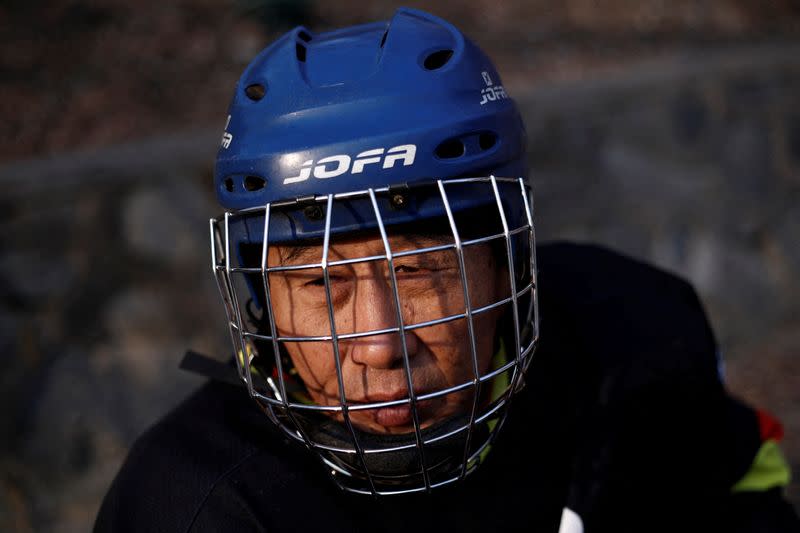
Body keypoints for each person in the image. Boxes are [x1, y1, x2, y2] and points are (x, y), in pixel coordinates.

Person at [95, 8, 798, 532]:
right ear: (261, 301)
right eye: (319, 284)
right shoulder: (201, 505)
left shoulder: (627, 341)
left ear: (504, 262)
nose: (377, 343)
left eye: (420, 270)